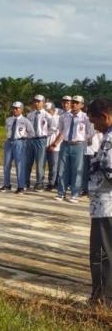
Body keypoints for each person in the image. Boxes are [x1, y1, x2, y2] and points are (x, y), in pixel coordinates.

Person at [85, 97, 112, 305]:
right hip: (104, 204)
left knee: (102, 253)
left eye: (95, 122)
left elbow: (110, 170)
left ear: (104, 116)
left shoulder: (110, 139)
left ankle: (102, 298)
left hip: (106, 205)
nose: (95, 127)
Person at [52, 95, 95, 202]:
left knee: (77, 170)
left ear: (82, 105)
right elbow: (61, 130)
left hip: (78, 145)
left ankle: (75, 194)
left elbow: (91, 132)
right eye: (73, 102)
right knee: (62, 169)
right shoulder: (64, 116)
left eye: (77, 103)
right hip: (65, 144)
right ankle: (61, 193)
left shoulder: (85, 118)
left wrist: (82, 139)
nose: (74, 104)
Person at [0, 101, 35, 194]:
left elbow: (32, 133)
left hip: (19, 142)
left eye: (17, 108)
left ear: (21, 109)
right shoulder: (8, 120)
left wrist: (24, 138)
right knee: (6, 164)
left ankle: (21, 186)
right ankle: (6, 185)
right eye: (13, 108)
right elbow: (7, 130)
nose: (14, 110)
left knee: (19, 165)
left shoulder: (25, 121)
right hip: (9, 142)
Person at [26, 95, 50, 191]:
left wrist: (45, 135)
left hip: (40, 140)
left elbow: (52, 127)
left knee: (40, 162)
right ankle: (26, 182)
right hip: (30, 139)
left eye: (38, 101)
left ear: (43, 103)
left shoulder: (47, 115)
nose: (36, 103)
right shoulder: (30, 115)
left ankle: (39, 183)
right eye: (35, 101)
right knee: (28, 162)